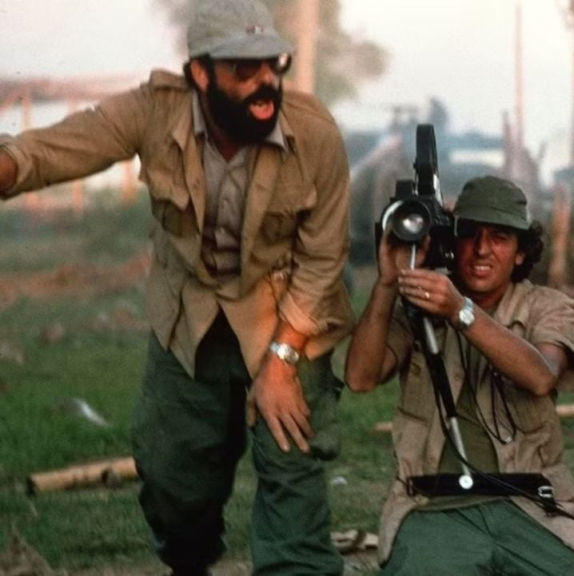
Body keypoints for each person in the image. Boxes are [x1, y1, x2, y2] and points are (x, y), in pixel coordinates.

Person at [0, 1, 353, 574]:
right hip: (190, 316)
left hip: (288, 315)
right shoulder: (154, 110)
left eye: (273, 64)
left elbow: (323, 259)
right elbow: (62, 146)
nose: (265, 81)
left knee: (292, 469)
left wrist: (283, 362)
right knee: (173, 485)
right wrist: (9, 167)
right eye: (244, 69)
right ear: (201, 74)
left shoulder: (314, 134)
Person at [345, 175, 574, 576]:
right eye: (469, 234)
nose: (482, 249)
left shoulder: (547, 306)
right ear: (450, 243)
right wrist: (387, 283)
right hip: (435, 504)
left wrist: (460, 311)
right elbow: (360, 378)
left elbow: (541, 376)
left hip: (530, 502)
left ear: (521, 253)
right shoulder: (420, 307)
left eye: (499, 238)